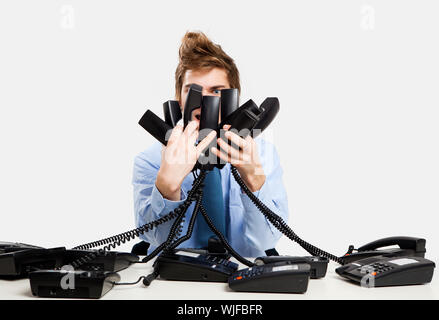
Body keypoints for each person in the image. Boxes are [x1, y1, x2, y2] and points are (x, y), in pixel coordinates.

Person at [132, 31, 289, 257]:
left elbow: (265, 240)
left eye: (216, 91)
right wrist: (167, 188)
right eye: (193, 91)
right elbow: (156, 241)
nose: (204, 103)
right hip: (175, 280)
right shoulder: (150, 159)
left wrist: (253, 178)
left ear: (234, 100)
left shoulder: (263, 155)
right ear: (178, 99)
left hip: (241, 279)